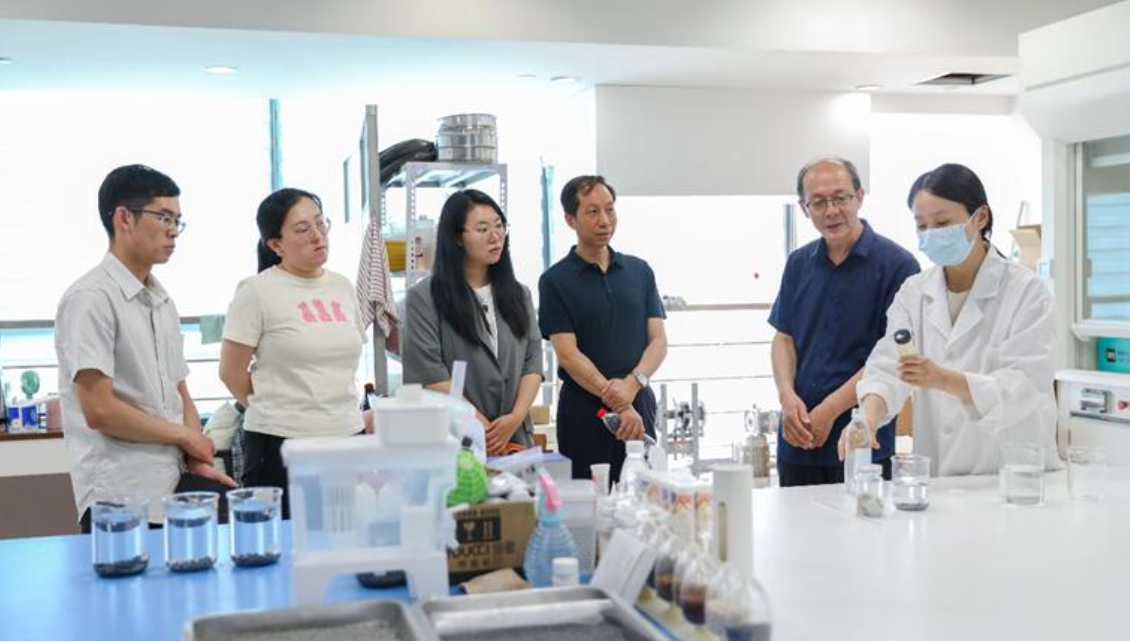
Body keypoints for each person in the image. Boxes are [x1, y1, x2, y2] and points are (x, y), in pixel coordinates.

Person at [846, 163, 1059, 476]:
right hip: (940, 476)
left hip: (1009, 473)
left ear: (980, 218)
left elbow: (1024, 386)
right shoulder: (914, 292)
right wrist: (868, 417)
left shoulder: (1027, 292)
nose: (931, 234)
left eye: (942, 222)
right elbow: (889, 366)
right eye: (922, 226)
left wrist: (944, 379)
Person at [55, 164, 236, 532]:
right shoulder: (91, 298)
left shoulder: (162, 301)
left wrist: (195, 459)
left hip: (174, 491)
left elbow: (179, 391)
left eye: (178, 221)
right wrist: (185, 435)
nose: (173, 230)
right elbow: (100, 410)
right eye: (164, 217)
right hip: (119, 499)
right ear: (124, 218)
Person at [770, 157, 920, 486]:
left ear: (860, 197)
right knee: (795, 519)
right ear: (804, 208)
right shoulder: (798, 263)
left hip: (862, 440)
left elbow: (892, 358)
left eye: (840, 198)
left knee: (862, 519)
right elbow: (784, 338)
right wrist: (786, 396)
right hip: (797, 439)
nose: (831, 211)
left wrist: (828, 411)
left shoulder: (898, 266)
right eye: (818, 202)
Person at [218, 188, 370, 510]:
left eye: (320, 223)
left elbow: (344, 363)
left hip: (346, 436)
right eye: (302, 229)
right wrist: (276, 410)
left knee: (346, 533)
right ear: (276, 244)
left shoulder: (342, 286)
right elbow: (231, 373)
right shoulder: (257, 291)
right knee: (286, 537)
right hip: (280, 444)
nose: (317, 235)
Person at [539, 175, 668, 481]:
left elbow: (659, 342)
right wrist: (619, 401)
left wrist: (631, 386)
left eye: (610, 209)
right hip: (585, 409)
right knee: (588, 500)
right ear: (570, 219)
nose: (604, 221)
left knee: (644, 495)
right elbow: (568, 355)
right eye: (592, 212)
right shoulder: (555, 281)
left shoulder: (640, 271)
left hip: (639, 403)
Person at [402, 190, 543, 455]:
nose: (495, 236)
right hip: (457, 439)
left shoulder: (519, 294)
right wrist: (483, 429)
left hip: (514, 437)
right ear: (457, 237)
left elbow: (533, 361)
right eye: (482, 229)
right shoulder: (425, 298)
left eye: (499, 226)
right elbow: (431, 374)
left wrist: (515, 418)